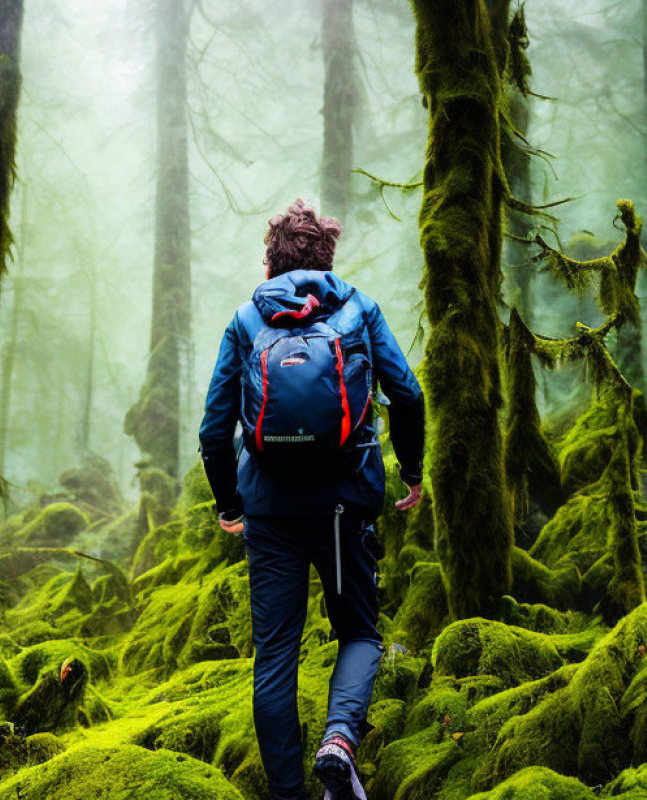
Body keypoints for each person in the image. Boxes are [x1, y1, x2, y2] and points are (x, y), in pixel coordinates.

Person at [198, 199, 425, 800]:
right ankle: (339, 742)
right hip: (345, 502)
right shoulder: (359, 309)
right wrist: (413, 472)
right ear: (326, 254)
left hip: (269, 510)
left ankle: (288, 794)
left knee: (275, 654)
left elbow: (213, 430)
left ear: (271, 259)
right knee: (358, 632)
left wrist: (229, 505)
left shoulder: (249, 319)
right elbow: (408, 394)